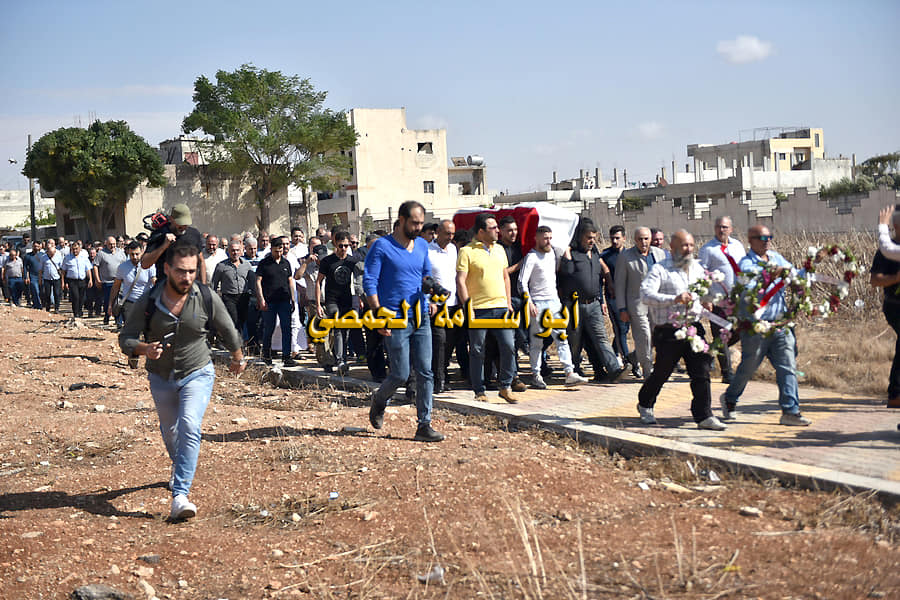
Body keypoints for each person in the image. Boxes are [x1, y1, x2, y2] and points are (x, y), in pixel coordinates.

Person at [119, 242, 245, 520]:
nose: (186, 277)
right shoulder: (149, 301)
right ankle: (180, 466)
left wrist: (238, 356)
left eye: (191, 271)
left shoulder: (205, 296)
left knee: (189, 424)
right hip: (160, 376)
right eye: (180, 271)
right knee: (170, 430)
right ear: (167, 269)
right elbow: (125, 338)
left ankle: (180, 495)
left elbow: (227, 328)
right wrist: (144, 349)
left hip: (197, 371)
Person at [364, 201, 444, 442]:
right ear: (401, 220)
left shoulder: (421, 245)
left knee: (425, 371)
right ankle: (380, 400)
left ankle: (424, 425)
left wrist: (431, 292)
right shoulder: (382, 246)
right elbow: (370, 281)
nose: (419, 228)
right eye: (414, 223)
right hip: (394, 318)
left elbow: (425, 275)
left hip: (421, 317)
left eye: (421, 223)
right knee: (400, 374)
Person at [719, 225, 811, 426]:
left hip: (780, 324)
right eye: (762, 238)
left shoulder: (777, 258)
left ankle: (790, 411)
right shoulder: (745, 264)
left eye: (770, 237)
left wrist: (809, 267)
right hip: (756, 327)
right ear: (750, 240)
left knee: (787, 367)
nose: (767, 241)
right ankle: (730, 398)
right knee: (748, 367)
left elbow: (795, 276)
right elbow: (749, 289)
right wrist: (770, 276)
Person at [637, 230, 727, 431]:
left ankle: (704, 415)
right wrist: (674, 299)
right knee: (662, 371)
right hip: (669, 330)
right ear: (673, 247)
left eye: (691, 245)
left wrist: (707, 300)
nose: (688, 250)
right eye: (684, 245)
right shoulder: (660, 269)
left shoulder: (697, 268)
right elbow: (645, 295)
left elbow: (705, 290)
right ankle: (645, 403)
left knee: (701, 371)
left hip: (693, 327)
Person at [456, 213, 521, 403]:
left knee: (509, 346)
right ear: (481, 231)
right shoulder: (467, 252)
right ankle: (479, 390)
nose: (497, 231)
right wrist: (467, 306)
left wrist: (508, 302)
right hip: (478, 309)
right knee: (477, 350)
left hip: (500, 308)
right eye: (493, 228)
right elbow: (460, 281)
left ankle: (505, 386)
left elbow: (505, 277)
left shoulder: (499, 249)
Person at [520, 226, 589, 389]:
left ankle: (569, 373)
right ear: (537, 238)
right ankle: (536, 374)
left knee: (562, 338)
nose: (548, 241)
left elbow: (563, 252)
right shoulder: (531, 257)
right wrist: (529, 302)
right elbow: (522, 282)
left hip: (554, 302)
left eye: (550, 238)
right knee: (537, 342)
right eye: (545, 238)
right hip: (538, 303)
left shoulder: (552, 253)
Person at [559, 221, 628, 383]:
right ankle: (573, 371)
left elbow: (602, 271)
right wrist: (567, 252)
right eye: (588, 237)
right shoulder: (572, 253)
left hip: (594, 304)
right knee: (574, 340)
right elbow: (567, 272)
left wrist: (609, 284)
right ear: (580, 237)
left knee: (601, 338)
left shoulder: (595, 253)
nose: (592, 241)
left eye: (594, 238)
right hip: (574, 305)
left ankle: (614, 369)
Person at [698, 216, 746, 383]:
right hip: (718, 300)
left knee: (741, 330)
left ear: (731, 229)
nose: (721, 230)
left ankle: (712, 353)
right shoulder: (708, 249)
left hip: (738, 299)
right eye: (718, 227)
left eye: (725, 227)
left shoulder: (738, 246)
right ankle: (727, 373)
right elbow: (701, 274)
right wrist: (705, 298)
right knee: (720, 335)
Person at [615, 227, 667, 380]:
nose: (643, 242)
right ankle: (648, 371)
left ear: (650, 239)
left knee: (655, 337)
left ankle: (633, 357)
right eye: (640, 239)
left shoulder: (660, 254)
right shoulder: (626, 257)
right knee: (644, 336)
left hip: (657, 303)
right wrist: (622, 308)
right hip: (637, 303)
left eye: (646, 239)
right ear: (634, 240)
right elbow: (619, 284)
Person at [316, 230, 360, 374]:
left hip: (346, 299)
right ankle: (341, 361)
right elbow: (318, 282)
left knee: (344, 331)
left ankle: (337, 359)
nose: (343, 249)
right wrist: (318, 304)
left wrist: (360, 298)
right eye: (341, 246)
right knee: (338, 328)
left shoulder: (352, 261)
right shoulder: (327, 261)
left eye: (346, 246)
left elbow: (359, 280)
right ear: (335, 244)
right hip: (331, 300)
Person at [871, 207, 900, 408]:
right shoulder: (885, 254)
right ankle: (895, 393)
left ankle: (896, 393)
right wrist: (895, 279)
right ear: (897, 226)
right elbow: (875, 280)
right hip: (895, 306)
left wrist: (882, 225)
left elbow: (886, 245)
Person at [255, 236, 296, 367]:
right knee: (269, 328)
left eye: (280, 250)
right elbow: (258, 281)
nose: (278, 253)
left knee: (286, 328)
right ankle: (266, 355)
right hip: (269, 301)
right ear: (271, 249)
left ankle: (287, 356)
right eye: (276, 251)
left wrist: (293, 298)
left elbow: (290, 281)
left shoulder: (286, 263)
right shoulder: (264, 263)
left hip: (284, 300)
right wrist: (261, 299)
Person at [427, 219, 458, 393]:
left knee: (449, 344)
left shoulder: (453, 249)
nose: (450, 237)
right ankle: (438, 380)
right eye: (447, 233)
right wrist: (429, 300)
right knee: (439, 341)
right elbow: (424, 278)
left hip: (453, 305)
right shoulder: (427, 251)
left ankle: (442, 373)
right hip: (436, 306)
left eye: (452, 234)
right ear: (438, 232)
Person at [142, 203, 205, 285]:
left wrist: (204, 287)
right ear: (171, 219)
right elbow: (144, 264)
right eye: (180, 223)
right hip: (165, 286)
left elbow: (201, 261)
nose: (183, 227)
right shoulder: (159, 234)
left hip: (188, 286)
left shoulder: (194, 234)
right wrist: (164, 246)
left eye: (186, 224)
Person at [601, 225, 634, 374]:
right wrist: (602, 300)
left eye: (617, 238)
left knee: (625, 329)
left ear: (624, 238)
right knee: (620, 328)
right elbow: (599, 278)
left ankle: (615, 352)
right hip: (613, 297)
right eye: (612, 238)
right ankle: (629, 361)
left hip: (629, 297)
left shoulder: (630, 255)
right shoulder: (605, 256)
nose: (614, 241)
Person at [109, 241, 156, 325]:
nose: (134, 257)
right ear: (128, 253)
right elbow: (116, 287)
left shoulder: (149, 266)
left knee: (146, 328)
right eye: (132, 254)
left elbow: (154, 282)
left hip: (145, 302)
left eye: (137, 254)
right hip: (129, 303)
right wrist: (110, 304)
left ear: (142, 252)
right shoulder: (122, 267)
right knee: (130, 327)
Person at [211, 239, 251, 333]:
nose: (235, 253)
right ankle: (236, 340)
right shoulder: (221, 266)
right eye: (233, 250)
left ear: (241, 251)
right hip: (229, 297)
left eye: (237, 250)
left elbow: (252, 281)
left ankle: (239, 339)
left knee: (242, 320)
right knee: (234, 320)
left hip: (244, 296)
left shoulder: (246, 265)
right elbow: (214, 284)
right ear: (228, 251)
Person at [94, 236, 126, 324]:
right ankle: (107, 316)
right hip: (107, 281)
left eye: (114, 244)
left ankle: (118, 320)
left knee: (118, 301)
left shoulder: (121, 252)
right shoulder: (101, 253)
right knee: (108, 300)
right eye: (110, 244)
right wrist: (97, 279)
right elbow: (95, 266)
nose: (112, 246)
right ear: (106, 244)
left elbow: (125, 264)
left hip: (119, 280)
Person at [61, 241, 94, 317]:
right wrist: (63, 282)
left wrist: (90, 279)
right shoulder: (67, 258)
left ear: (80, 249)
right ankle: (76, 313)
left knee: (82, 298)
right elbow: (63, 271)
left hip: (82, 280)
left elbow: (88, 269)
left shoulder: (84, 258)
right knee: (75, 297)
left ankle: (80, 310)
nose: (75, 251)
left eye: (76, 249)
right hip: (72, 281)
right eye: (73, 249)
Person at [40, 239, 63, 312]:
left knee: (57, 293)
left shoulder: (59, 255)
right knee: (47, 294)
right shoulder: (43, 257)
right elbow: (40, 269)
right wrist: (40, 279)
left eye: (52, 254)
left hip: (56, 278)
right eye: (50, 253)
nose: (51, 255)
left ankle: (57, 308)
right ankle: (48, 307)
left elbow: (61, 268)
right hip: (47, 278)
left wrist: (63, 280)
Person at [23, 240, 43, 309]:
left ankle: (43, 304)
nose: (36, 248)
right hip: (33, 276)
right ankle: (37, 305)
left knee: (42, 292)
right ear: (32, 246)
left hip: (42, 276)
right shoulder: (28, 256)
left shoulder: (43, 255)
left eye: (37, 246)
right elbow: (25, 267)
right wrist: (26, 277)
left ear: (40, 247)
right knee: (35, 291)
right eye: (35, 246)